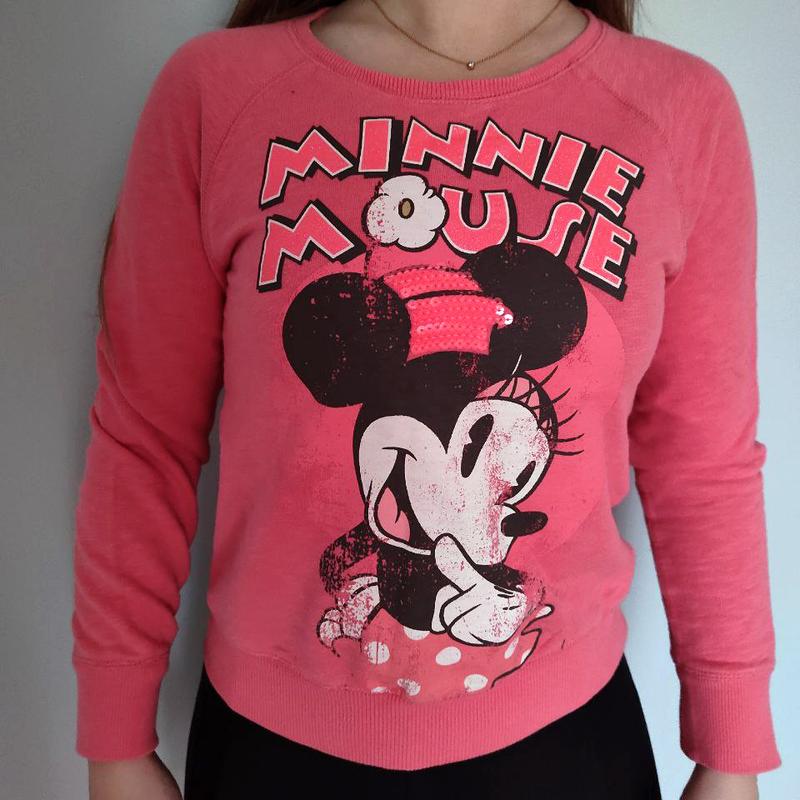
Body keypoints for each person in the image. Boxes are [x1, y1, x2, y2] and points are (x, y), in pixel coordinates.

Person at [72, 1, 782, 798]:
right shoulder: (216, 93)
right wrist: (115, 741)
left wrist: (732, 750)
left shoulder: (677, 109)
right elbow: (144, 438)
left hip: (564, 745)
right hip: (274, 750)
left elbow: (703, 462)